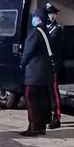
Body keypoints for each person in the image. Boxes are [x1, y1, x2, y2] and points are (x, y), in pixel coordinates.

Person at [20, 8, 54, 136]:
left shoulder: (35, 33)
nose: (33, 19)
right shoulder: (46, 32)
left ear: (37, 18)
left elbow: (27, 52)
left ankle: (33, 128)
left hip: (34, 75)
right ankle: (41, 127)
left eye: (34, 17)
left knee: (31, 99)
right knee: (42, 101)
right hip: (44, 74)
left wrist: (21, 64)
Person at [45, 3, 62, 129]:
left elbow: (55, 47)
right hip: (43, 64)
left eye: (54, 14)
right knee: (45, 92)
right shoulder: (43, 28)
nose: (52, 16)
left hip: (53, 64)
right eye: (50, 13)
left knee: (54, 92)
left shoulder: (57, 29)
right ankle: (47, 115)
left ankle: (56, 117)